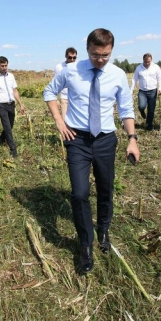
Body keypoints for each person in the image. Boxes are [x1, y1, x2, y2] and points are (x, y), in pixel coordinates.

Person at [43, 28, 140, 274]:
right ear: (87, 49)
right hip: (77, 139)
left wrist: (132, 138)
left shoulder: (117, 75)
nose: (101, 60)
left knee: (106, 189)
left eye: (106, 55)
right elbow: (48, 92)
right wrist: (59, 121)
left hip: (105, 140)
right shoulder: (71, 71)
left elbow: (126, 109)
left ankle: (104, 229)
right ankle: (85, 245)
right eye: (96, 54)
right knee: (79, 193)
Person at [0, 56, 26, 158]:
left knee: (10, 125)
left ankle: (2, 137)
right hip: (0, 104)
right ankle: (13, 149)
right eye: (2, 66)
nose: (4, 67)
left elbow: (15, 91)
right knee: (7, 127)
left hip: (11, 104)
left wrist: (21, 104)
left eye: (6, 65)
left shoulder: (11, 76)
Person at [130, 53, 161, 131]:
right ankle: (142, 111)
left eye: (148, 62)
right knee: (141, 106)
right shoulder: (139, 68)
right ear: (143, 60)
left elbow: (160, 78)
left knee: (151, 109)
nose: (147, 63)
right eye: (145, 62)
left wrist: (160, 88)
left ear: (151, 60)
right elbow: (134, 79)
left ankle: (149, 124)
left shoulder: (156, 67)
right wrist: (131, 89)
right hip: (142, 91)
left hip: (153, 91)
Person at [53, 47, 78, 118]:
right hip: (65, 98)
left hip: (76, 98)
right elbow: (55, 84)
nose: (72, 60)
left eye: (74, 58)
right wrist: (56, 99)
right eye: (70, 57)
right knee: (65, 120)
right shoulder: (59, 67)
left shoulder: (78, 67)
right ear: (66, 56)